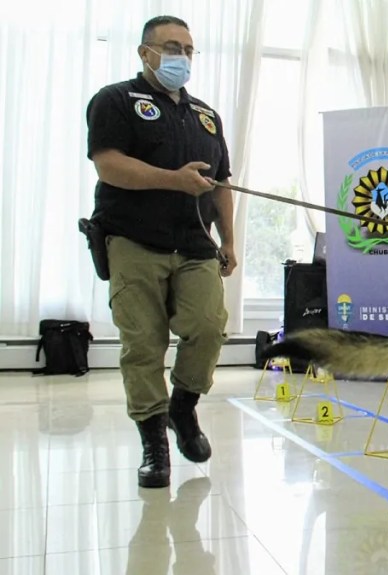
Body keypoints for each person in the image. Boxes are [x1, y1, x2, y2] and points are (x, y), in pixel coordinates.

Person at [85, 15, 237, 488]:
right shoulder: (115, 101)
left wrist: (230, 240)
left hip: (195, 243)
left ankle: (183, 408)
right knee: (144, 346)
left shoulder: (205, 115)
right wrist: (173, 180)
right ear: (145, 52)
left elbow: (222, 182)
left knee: (210, 327)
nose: (182, 58)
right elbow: (109, 165)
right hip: (134, 241)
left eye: (189, 50)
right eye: (172, 48)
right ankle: (154, 444)